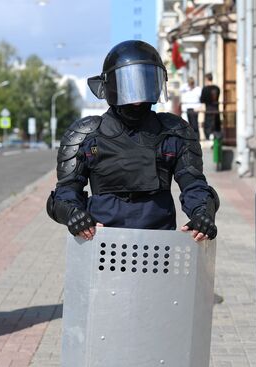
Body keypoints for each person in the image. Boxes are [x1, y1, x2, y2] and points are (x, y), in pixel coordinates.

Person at [46, 40, 219, 244]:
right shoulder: (85, 135)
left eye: (144, 84)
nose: (137, 99)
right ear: (110, 86)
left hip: (158, 248)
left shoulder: (174, 132)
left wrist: (202, 214)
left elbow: (194, 185)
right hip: (100, 246)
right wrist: (74, 214)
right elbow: (64, 193)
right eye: (129, 85)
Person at [200, 73, 221, 140]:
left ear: (206, 79)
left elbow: (202, 100)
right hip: (216, 109)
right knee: (216, 127)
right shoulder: (217, 88)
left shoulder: (205, 89)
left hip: (208, 110)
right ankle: (216, 141)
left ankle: (210, 140)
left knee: (208, 127)